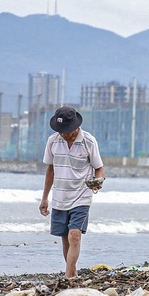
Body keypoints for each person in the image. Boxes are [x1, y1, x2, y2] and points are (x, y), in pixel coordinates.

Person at [39, 106, 105, 279]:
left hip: (81, 196)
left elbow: (99, 169)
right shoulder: (53, 141)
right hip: (60, 197)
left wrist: (98, 182)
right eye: (60, 131)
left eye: (66, 131)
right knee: (65, 238)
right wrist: (44, 198)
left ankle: (68, 277)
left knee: (74, 235)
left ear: (76, 126)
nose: (63, 134)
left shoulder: (89, 141)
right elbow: (50, 170)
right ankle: (73, 274)